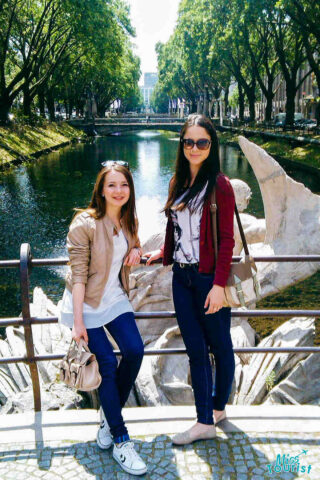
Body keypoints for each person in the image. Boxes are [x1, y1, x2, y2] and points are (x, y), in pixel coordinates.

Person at [145, 114, 235, 445]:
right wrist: (164, 254)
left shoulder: (220, 185)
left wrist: (219, 285)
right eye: (188, 142)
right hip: (181, 278)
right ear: (181, 144)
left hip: (209, 278)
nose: (194, 148)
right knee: (196, 350)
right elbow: (175, 228)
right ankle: (204, 420)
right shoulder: (178, 183)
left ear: (212, 146)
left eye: (202, 142)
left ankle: (218, 407)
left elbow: (227, 240)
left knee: (221, 346)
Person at [59, 161, 147, 475]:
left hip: (113, 299)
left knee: (136, 351)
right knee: (107, 364)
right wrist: (79, 323)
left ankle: (108, 417)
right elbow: (78, 275)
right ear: (101, 189)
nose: (118, 191)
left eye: (123, 185)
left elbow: (131, 246)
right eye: (111, 185)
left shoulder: (128, 218)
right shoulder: (84, 224)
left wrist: (136, 251)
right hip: (85, 305)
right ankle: (121, 440)